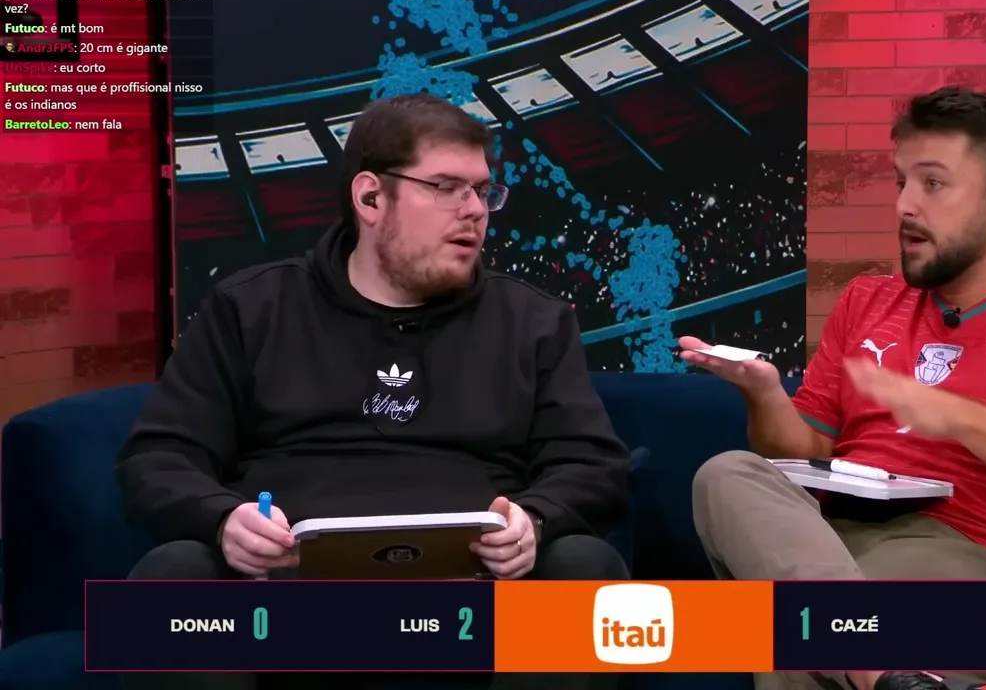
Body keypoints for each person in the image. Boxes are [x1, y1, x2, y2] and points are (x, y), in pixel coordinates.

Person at [115, 93, 630, 690]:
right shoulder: (250, 308)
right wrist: (223, 519)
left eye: (482, 190)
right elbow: (157, 459)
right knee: (171, 575)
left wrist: (535, 520)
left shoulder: (533, 320)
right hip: (286, 602)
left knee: (586, 566)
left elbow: (593, 464)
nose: (474, 210)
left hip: (477, 603)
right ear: (370, 198)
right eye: (446, 188)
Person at [681, 87, 986, 690]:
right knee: (725, 474)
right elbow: (804, 454)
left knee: (790, 629)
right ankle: (877, 665)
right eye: (901, 182)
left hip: (975, 558)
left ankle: (862, 652)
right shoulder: (866, 300)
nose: (905, 205)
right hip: (830, 540)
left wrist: (959, 416)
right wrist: (765, 395)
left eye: (932, 184)